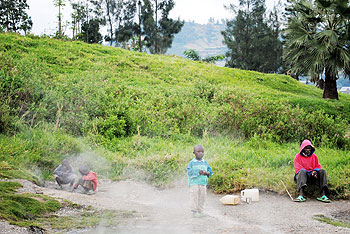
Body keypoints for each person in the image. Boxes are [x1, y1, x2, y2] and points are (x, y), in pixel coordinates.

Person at [186, 144, 213, 217]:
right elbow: (189, 172)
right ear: (194, 153)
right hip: (194, 183)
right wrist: (198, 172)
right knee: (194, 197)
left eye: (202, 151)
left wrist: (207, 173)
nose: (201, 153)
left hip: (203, 183)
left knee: (202, 197)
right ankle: (194, 212)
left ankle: (200, 211)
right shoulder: (192, 163)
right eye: (198, 151)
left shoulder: (205, 162)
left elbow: (210, 172)